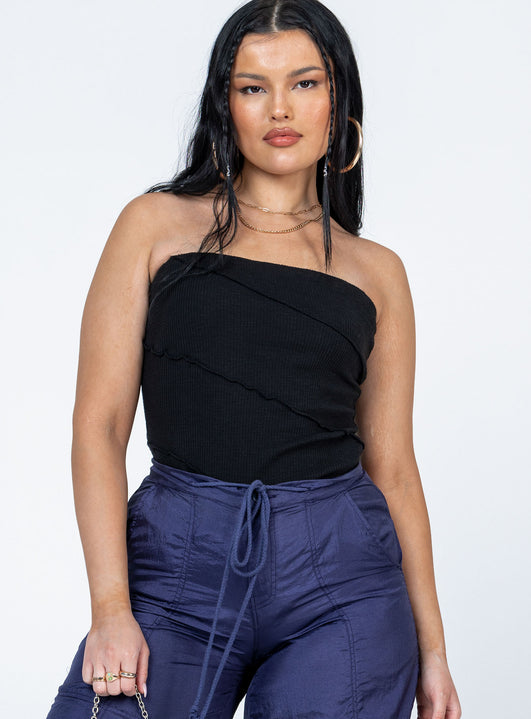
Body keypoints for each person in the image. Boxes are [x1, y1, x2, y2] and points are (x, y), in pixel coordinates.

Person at [46, 1, 462, 718]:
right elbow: (100, 426)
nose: (279, 109)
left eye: (304, 83)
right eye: (252, 87)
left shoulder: (376, 271)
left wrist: (433, 651)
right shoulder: (154, 226)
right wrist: (111, 606)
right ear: (225, 104)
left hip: (343, 582)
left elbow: (392, 467)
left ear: (338, 101)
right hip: (177, 568)